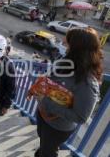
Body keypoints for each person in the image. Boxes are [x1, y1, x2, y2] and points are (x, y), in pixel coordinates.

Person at [34, 27, 103, 157]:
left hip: (57, 127)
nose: (64, 45)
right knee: (44, 146)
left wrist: (45, 102)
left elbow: (80, 117)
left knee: (48, 152)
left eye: (68, 43)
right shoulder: (66, 63)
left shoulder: (87, 82)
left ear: (78, 49)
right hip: (43, 116)